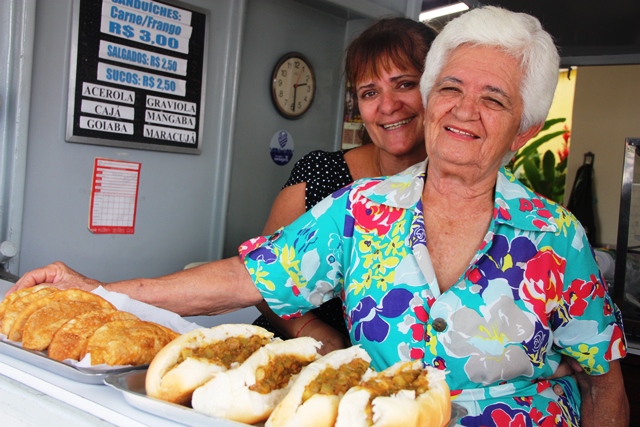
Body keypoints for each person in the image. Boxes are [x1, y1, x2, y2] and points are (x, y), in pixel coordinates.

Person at [10, 7, 628, 426]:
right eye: (450, 88)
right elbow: (243, 278)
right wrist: (100, 293)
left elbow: (605, 383)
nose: (462, 111)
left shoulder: (557, 240)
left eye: (492, 99)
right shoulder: (363, 211)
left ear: (522, 131)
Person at [253, 17, 437, 354]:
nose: (387, 105)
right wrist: (315, 333)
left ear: (439, 87)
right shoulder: (322, 173)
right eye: (370, 92)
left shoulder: (459, 193)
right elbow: (258, 280)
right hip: (296, 354)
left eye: (404, 84)